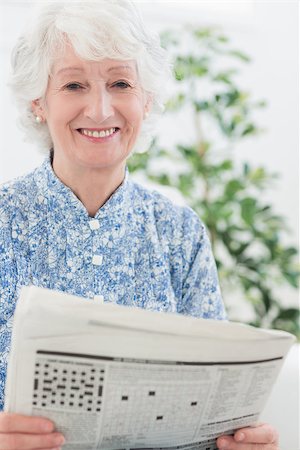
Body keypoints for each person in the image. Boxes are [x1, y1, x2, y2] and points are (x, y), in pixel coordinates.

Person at [0, 1, 279, 449]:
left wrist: (238, 440)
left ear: (146, 101)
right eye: (74, 84)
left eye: (120, 83)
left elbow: (216, 413)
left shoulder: (180, 233)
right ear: (38, 101)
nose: (99, 109)